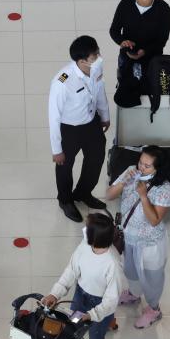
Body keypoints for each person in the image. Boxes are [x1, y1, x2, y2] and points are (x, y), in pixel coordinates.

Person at [42, 213, 125, 339]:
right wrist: (55, 293)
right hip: (81, 296)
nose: (84, 230)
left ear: (96, 238)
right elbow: (71, 270)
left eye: (87, 228)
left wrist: (94, 315)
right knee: (74, 328)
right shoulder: (84, 245)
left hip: (99, 304)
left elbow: (111, 301)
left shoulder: (113, 264)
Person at [105, 146, 170, 329]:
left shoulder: (164, 188)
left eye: (147, 166)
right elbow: (109, 195)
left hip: (150, 243)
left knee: (152, 277)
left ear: (157, 168)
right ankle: (134, 294)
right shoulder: (130, 171)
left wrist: (143, 196)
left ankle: (153, 308)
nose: (141, 168)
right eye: (140, 162)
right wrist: (122, 182)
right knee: (131, 271)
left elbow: (154, 220)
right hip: (129, 237)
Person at [50, 35, 110, 223]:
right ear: (82, 61)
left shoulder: (95, 69)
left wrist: (105, 115)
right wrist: (56, 149)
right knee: (65, 166)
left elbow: (99, 91)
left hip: (91, 123)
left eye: (98, 52)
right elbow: (53, 116)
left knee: (96, 158)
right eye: (95, 55)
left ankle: (83, 193)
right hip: (70, 129)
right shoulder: (62, 81)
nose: (99, 57)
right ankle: (65, 200)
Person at [108, 0, 170, 105]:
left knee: (148, 90)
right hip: (127, 54)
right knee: (125, 89)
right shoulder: (126, 3)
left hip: (151, 57)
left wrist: (145, 51)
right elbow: (114, 30)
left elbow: (162, 40)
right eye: (139, 4)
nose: (142, 9)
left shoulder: (164, 9)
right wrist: (122, 41)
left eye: (147, 6)